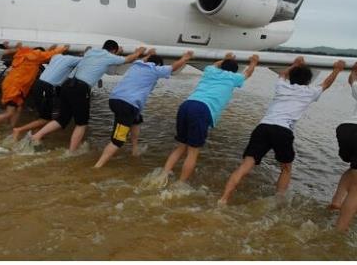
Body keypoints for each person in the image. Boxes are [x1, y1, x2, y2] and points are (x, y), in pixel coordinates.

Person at [219, 56, 346, 205]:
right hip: (283, 130)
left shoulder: (282, 86)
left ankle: (223, 199)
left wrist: (295, 64)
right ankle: (278, 201)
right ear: (308, 81)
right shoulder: (309, 92)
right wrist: (337, 70)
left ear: (291, 77)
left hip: (263, 127)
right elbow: (326, 83)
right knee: (286, 168)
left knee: (245, 165)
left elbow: (282, 74)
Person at [27, 40, 146, 152]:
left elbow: (103, 61)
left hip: (67, 84)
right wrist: (139, 52)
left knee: (62, 119)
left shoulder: (91, 51)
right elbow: (128, 59)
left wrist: (116, 54)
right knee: (81, 123)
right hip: (80, 88)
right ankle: (72, 151)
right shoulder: (109, 56)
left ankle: (36, 136)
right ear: (114, 50)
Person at [160, 52, 259, 184]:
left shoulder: (210, 71)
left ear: (221, 66)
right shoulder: (234, 78)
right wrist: (254, 62)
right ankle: (180, 184)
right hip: (203, 109)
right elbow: (248, 73)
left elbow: (215, 64)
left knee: (181, 146)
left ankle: (163, 175)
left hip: (187, 105)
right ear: (235, 71)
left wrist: (226, 58)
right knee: (193, 152)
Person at [93, 50, 194, 168]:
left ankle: (134, 150)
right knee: (118, 140)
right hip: (127, 105)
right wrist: (185, 58)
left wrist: (149, 54)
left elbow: (146, 59)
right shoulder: (155, 70)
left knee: (136, 119)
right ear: (158, 65)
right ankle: (97, 166)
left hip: (115, 100)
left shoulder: (136, 65)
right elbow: (173, 67)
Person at [0, 44, 68, 133]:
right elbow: (48, 55)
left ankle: (10, 128)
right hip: (15, 87)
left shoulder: (27, 57)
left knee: (18, 108)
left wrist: (51, 49)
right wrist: (62, 49)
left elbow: (46, 54)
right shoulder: (35, 56)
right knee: (9, 112)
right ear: (38, 53)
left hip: (13, 85)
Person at [11, 50, 84, 141]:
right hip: (47, 87)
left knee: (43, 115)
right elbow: (87, 60)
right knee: (46, 118)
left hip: (38, 85)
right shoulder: (73, 59)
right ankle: (19, 130)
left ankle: (35, 137)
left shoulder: (56, 57)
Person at [330, 62, 357, 232]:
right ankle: (339, 231)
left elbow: (352, 79)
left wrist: (355, 69)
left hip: (346, 129)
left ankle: (336, 203)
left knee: (353, 168)